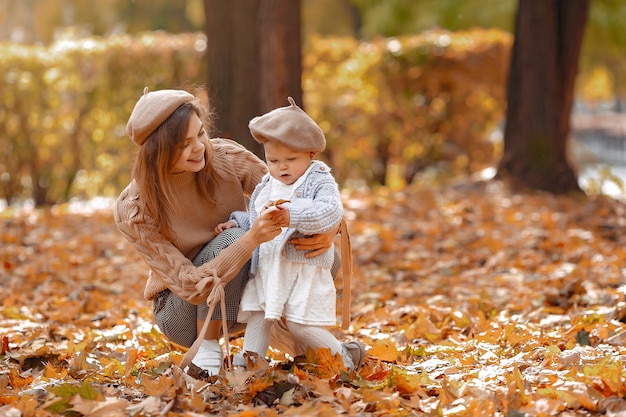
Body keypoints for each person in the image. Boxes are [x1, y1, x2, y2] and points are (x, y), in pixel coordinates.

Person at [114, 88, 363, 379]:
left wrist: (330, 227)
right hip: (182, 310)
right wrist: (249, 240)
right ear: (158, 151)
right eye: (184, 144)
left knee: (319, 255)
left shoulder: (225, 157)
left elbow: (298, 186)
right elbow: (191, 285)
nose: (199, 148)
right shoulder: (135, 207)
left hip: (238, 295)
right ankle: (206, 352)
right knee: (233, 240)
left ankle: (307, 350)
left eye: (201, 133)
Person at [215, 97, 357, 370]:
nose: (282, 167)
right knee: (259, 314)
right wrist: (239, 223)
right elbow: (261, 217)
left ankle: (343, 357)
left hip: (302, 268)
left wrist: (292, 215)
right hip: (268, 267)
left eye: (291, 159)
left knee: (299, 323)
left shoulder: (319, 179)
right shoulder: (267, 184)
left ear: (311, 153)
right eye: (274, 160)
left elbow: (330, 211)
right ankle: (250, 364)